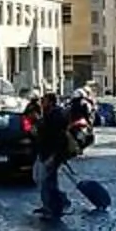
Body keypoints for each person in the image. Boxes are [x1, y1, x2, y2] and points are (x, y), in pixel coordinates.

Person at [32, 93, 71, 222]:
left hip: (50, 154)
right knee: (46, 180)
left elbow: (57, 138)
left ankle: (56, 205)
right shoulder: (50, 114)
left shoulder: (55, 116)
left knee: (47, 182)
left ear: (51, 102)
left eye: (44, 101)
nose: (42, 103)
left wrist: (54, 156)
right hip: (45, 153)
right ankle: (49, 205)